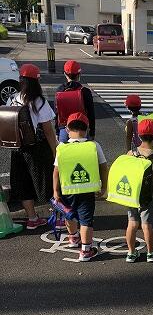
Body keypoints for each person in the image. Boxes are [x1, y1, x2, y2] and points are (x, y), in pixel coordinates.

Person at [53, 112, 108, 261]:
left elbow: (56, 171)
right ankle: (85, 250)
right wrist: (104, 187)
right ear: (87, 128)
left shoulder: (61, 148)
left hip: (67, 190)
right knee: (86, 220)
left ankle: (72, 238)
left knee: (69, 214)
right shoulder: (94, 146)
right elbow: (104, 167)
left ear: (67, 129)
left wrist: (55, 191)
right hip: (87, 190)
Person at [7, 64, 57, 229]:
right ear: (36, 82)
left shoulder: (12, 99)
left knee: (24, 184)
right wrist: (55, 151)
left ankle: (32, 218)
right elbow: (48, 131)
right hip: (37, 149)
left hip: (18, 149)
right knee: (47, 182)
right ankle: (57, 217)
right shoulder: (39, 102)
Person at [125, 118, 153, 263]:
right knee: (146, 225)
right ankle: (150, 253)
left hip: (132, 196)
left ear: (138, 135)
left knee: (132, 223)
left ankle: (131, 253)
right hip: (149, 196)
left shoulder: (131, 153)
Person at [55, 60, 95, 143]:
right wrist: (92, 132)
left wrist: (57, 132)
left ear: (65, 74)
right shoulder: (85, 91)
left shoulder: (59, 90)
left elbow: (57, 113)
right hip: (82, 129)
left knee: (63, 150)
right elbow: (91, 113)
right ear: (79, 74)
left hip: (65, 129)